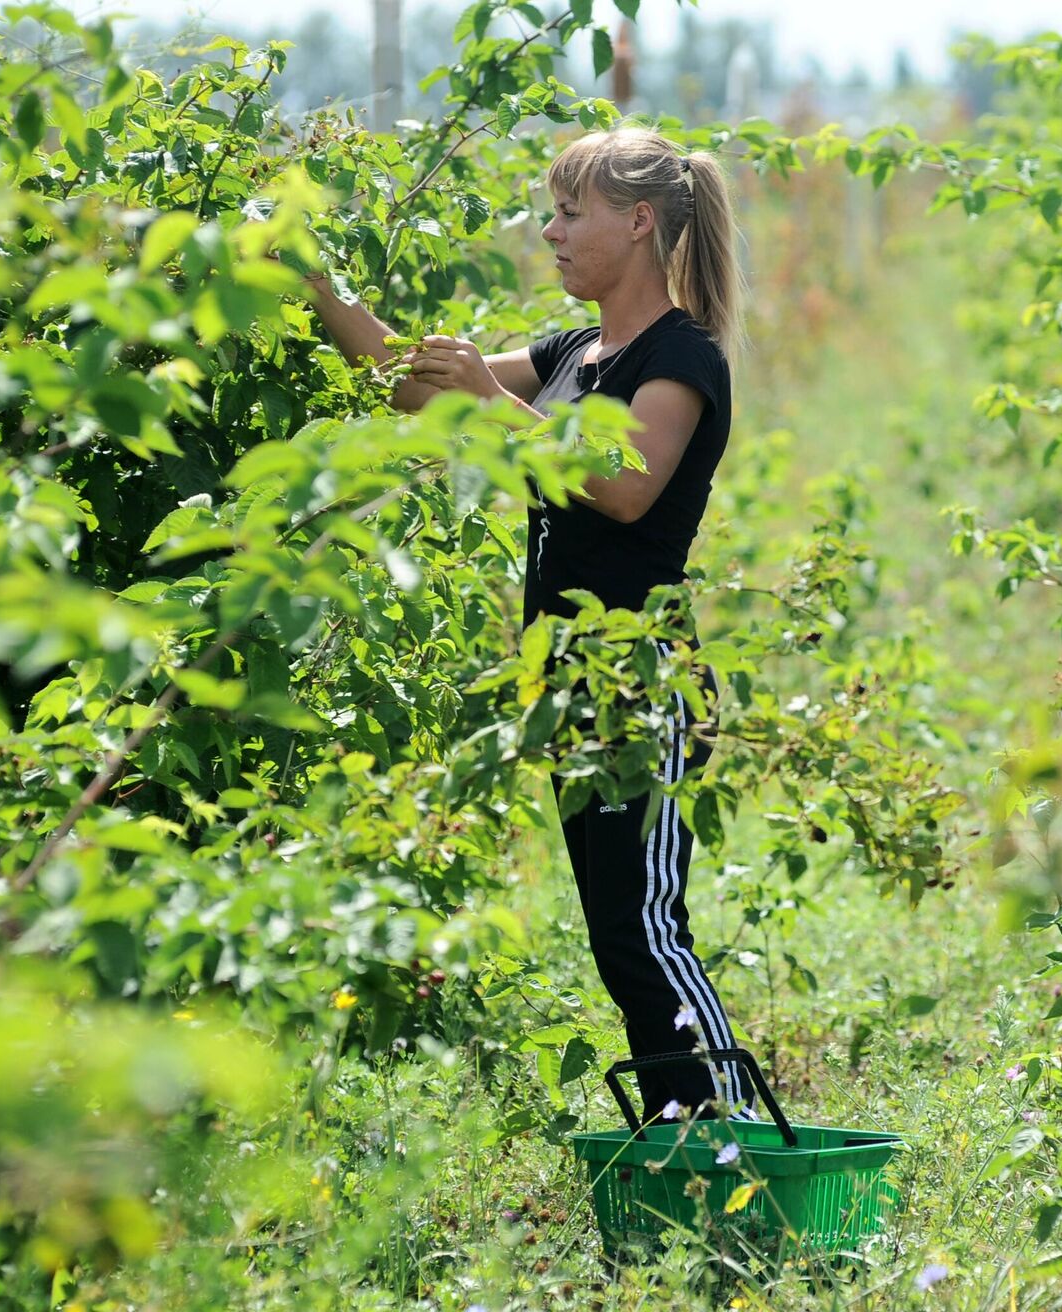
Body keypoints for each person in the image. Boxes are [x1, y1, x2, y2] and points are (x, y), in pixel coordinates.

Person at [300, 126, 752, 1120]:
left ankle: (736, 1145)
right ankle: (689, 1136)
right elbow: (409, 387)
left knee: (647, 931)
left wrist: (491, 407)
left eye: (568, 212)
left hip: (645, 685)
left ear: (638, 224)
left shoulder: (682, 359)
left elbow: (626, 488)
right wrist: (315, 280)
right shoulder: (574, 355)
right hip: (573, 687)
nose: (548, 232)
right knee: (614, 934)